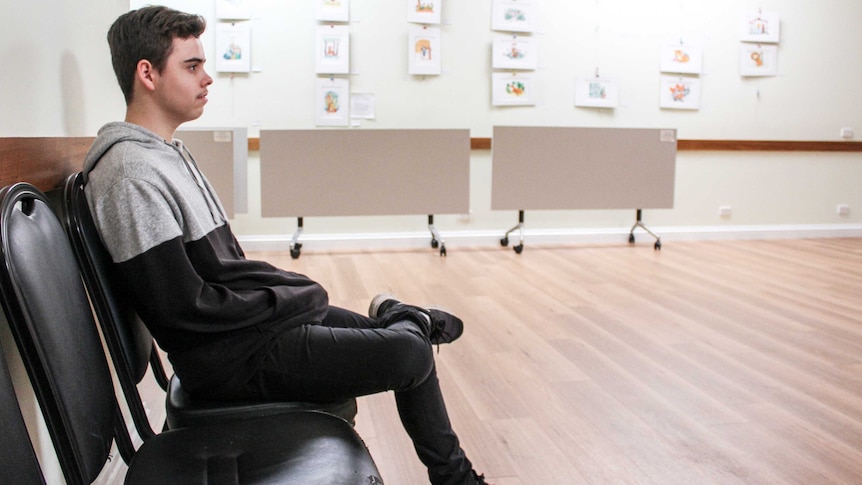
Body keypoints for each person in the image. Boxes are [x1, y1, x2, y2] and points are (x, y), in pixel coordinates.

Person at [83, 5, 491, 485]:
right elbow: (183, 312)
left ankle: (409, 331)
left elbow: (226, 272)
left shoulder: (165, 154)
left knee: (396, 342)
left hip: (248, 335)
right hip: (230, 359)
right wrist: (283, 299)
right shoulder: (130, 174)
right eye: (192, 66)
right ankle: (453, 463)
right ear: (147, 74)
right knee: (412, 354)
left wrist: (288, 293)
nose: (208, 78)